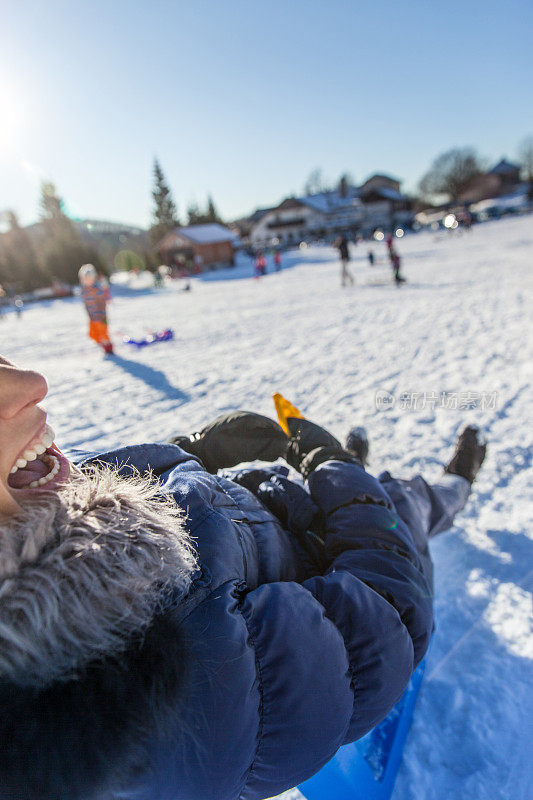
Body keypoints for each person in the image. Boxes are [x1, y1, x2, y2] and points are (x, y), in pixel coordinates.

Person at [0, 355, 486, 800]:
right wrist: (338, 470)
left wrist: (189, 452)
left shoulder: (33, 494)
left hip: (281, 509)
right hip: (339, 551)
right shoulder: (165, 672)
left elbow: (119, 487)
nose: (31, 383)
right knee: (404, 502)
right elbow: (386, 612)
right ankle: (454, 485)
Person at [78, 263, 114, 355]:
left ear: (93, 279)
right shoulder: (84, 290)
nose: (87, 281)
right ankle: (101, 342)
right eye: (85, 279)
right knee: (92, 333)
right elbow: (85, 302)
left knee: (103, 332)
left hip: (101, 316)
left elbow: (104, 299)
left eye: (89, 279)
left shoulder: (97, 289)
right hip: (92, 316)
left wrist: (103, 314)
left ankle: (108, 347)